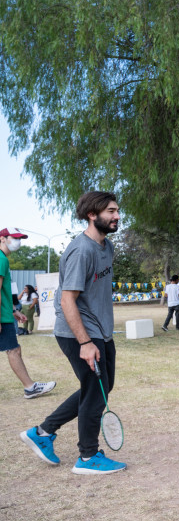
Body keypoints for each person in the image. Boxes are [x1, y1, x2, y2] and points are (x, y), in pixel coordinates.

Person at [19, 192, 126, 474]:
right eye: (110, 211)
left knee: (99, 389)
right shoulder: (82, 250)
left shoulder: (107, 247)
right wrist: (86, 342)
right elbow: (67, 300)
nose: (117, 216)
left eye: (117, 211)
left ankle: (43, 432)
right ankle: (88, 457)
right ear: (92, 214)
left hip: (100, 332)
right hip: (78, 334)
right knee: (96, 393)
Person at [0, 228, 56, 399]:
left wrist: (14, 311)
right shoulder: (1, 260)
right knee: (14, 350)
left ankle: (30, 387)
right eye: (14, 238)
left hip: (6, 314)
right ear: (3, 238)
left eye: (20, 239)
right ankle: (30, 387)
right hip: (2, 318)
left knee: (13, 349)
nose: (18, 242)